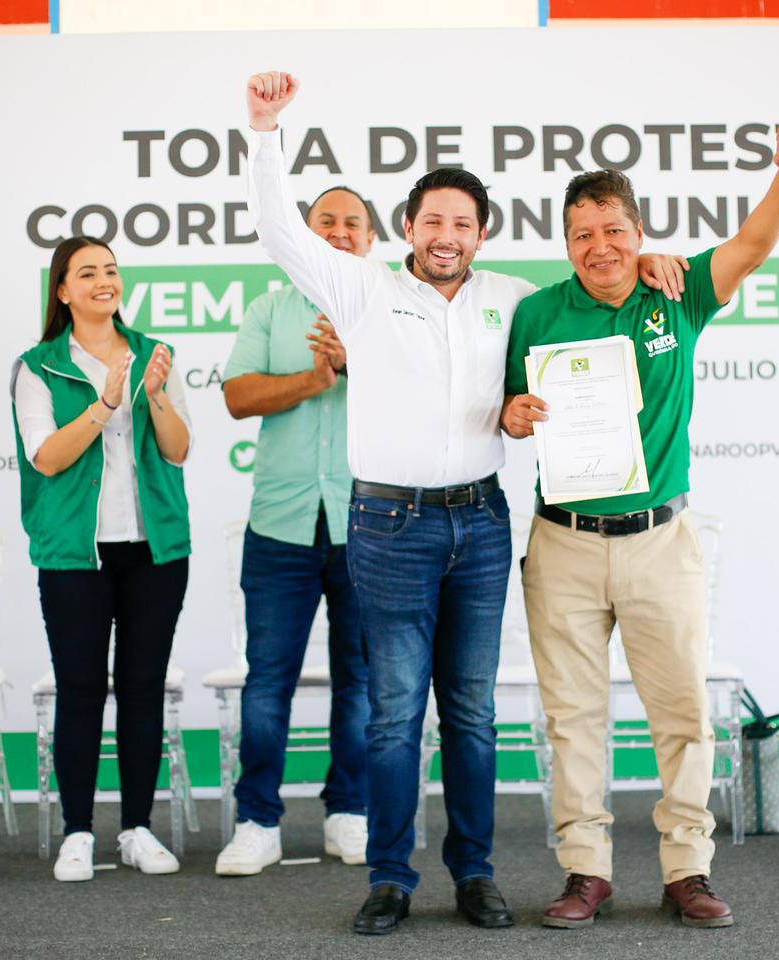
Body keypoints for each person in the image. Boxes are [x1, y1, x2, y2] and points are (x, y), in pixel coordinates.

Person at [244, 70, 686, 935]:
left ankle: (476, 874)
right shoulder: (360, 287)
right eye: (432, 221)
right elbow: (276, 230)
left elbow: (592, 316)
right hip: (389, 526)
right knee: (395, 714)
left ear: (483, 235)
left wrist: (652, 260)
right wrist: (266, 133)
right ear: (407, 228)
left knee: (475, 715)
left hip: (481, 522)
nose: (447, 236)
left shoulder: (515, 301)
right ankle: (389, 879)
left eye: (463, 224)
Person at [502, 125, 779, 930]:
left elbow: (751, 247)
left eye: (615, 230)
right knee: (573, 717)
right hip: (563, 542)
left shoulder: (675, 291)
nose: (599, 246)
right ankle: (586, 871)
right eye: (582, 234)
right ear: (567, 244)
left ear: (640, 234)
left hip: (661, 540)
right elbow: (508, 414)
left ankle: (688, 869)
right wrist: (513, 413)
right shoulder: (535, 312)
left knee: (682, 714)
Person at [11, 236, 193, 882]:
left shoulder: (153, 353)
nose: (103, 281)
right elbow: (48, 457)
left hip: (156, 549)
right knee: (82, 690)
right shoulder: (38, 366)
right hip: (73, 555)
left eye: (110, 270)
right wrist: (106, 403)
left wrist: (156, 395)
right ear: (62, 290)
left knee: (143, 689)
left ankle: (138, 830)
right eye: (86, 273)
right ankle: (80, 833)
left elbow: (177, 451)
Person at [215, 184, 374, 876]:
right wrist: (314, 378)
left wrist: (357, 361)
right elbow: (237, 395)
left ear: (372, 240)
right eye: (325, 222)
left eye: (352, 224)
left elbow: (428, 397)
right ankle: (258, 821)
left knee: (363, 682)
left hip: (372, 524)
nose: (339, 233)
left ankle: (350, 813)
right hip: (279, 525)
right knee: (267, 681)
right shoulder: (270, 308)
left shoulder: (392, 309)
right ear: (301, 234)